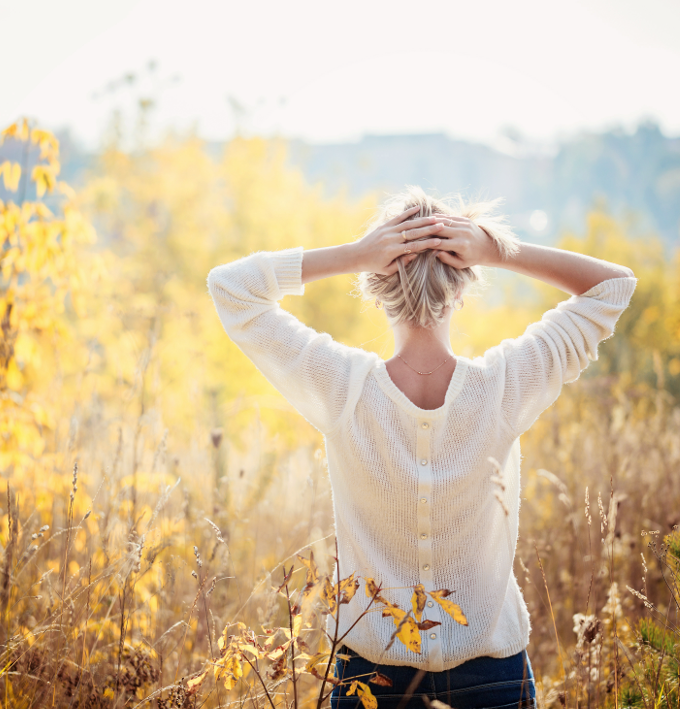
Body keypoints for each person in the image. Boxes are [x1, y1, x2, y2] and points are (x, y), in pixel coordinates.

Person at [207, 186, 636, 708]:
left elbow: (231, 288)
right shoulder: (505, 387)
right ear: (461, 289)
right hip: (491, 675)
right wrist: (496, 250)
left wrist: (355, 253)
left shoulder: (342, 388)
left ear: (375, 286)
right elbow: (614, 286)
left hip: (370, 678)